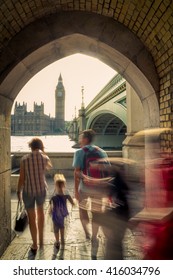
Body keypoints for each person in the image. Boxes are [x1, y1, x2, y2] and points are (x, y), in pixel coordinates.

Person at [72, 129, 108, 248]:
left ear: (86, 139)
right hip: (99, 188)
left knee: (82, 210)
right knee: (96, 212)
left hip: (85, 188)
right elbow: (108, 172)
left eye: (81, 137)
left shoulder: (79, 152)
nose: (79, 140)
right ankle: (94, 236)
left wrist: (76, 190)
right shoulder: (102, 152)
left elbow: (77, 173)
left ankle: (87, 233)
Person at [17, 138, 52, 255]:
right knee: (41, 213)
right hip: (41, 190)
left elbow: (21, 178)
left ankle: (35, 244)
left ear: (30, 147)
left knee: (32, 218)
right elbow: (48, 168)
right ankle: (41, 240)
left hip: (28, 191)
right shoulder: (45, 158)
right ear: (41, 146)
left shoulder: (24, 159)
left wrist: (18, 191)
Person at [49, 174, 74, 256]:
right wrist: (74, 203)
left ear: (55, 185)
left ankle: (57, 241)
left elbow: (50, 204)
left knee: (56, 228)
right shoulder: (66, 194)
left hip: (55, 215)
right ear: (64, 185)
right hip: (62, 214)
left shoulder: (53, 195)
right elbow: (72, 201)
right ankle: (62, 239)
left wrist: (50, 209)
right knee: (62, 226)